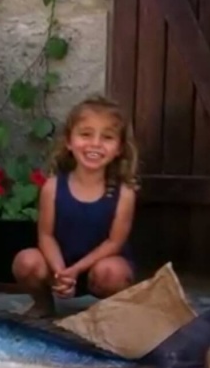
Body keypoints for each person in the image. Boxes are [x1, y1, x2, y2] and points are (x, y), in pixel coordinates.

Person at [12, 95, 139, 317]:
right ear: (69, 141)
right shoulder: (52, 187)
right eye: (86, 134)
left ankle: (108, 314)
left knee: (113, 273)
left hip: (97, 269)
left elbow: (114, 242)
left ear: (119, 148)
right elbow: (46, 236)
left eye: (107, 137)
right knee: (26, 262)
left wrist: (76, 270)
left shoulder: (124, 193)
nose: (95, 144)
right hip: (58, 266)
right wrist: (61, 272)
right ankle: (43, 304)